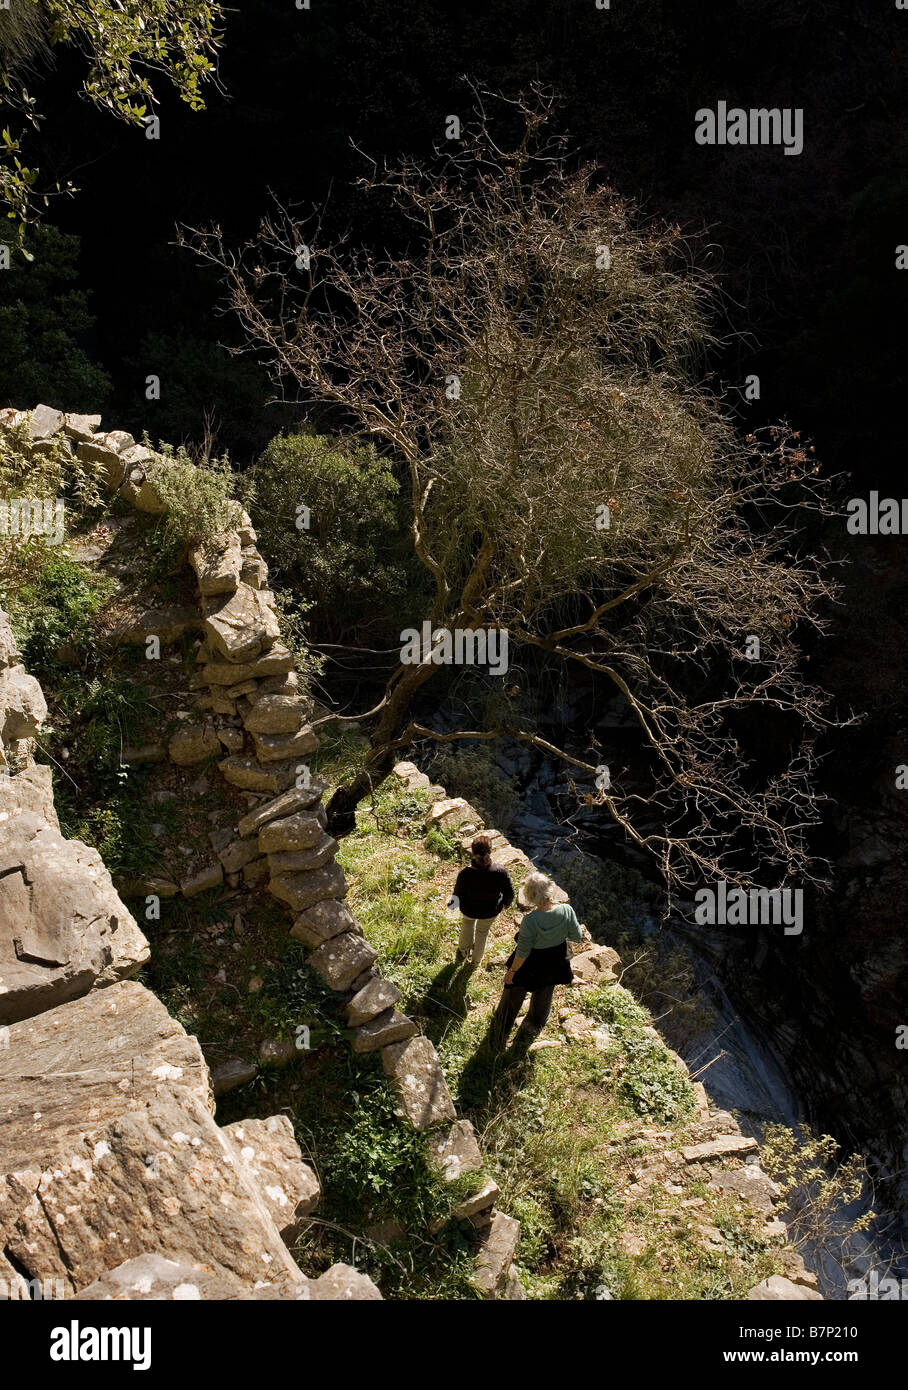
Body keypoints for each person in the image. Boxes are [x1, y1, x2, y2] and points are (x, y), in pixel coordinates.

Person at [492, 871, 582, 1046]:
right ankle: (534, 1024)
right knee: (544, 994)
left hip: (530, 964)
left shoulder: (530, 920)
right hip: (555, 961)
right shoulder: (566, 910)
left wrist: (511, 972)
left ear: (530, 896)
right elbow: (576, 935)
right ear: (550, 889)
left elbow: (523, 952)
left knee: (514, 992)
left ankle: (502, 1027)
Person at [450, 836, 515, 968]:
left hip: (469, 909)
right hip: (490, 910)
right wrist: (506, 903)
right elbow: (509, 892)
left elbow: (457, 892)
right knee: (482, 933)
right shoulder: (500, 871)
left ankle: (463, 951)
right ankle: (476, 961)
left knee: (467, 925)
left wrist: (453, 905)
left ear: (473, 853)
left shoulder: (465, 873)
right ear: (491, 851)